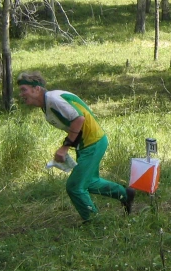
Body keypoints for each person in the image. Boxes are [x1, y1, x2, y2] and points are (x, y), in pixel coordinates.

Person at [17, 71, 134, 222]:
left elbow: (78, 119)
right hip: (86, 144)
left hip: (93, 142)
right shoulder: (47, 104)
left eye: (23, 90)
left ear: (36, 89)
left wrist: (65, 147)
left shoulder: (53, 99)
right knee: (90, 181)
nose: (21, 94)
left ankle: (93, 221)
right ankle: (125, 194)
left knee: (75, 186)